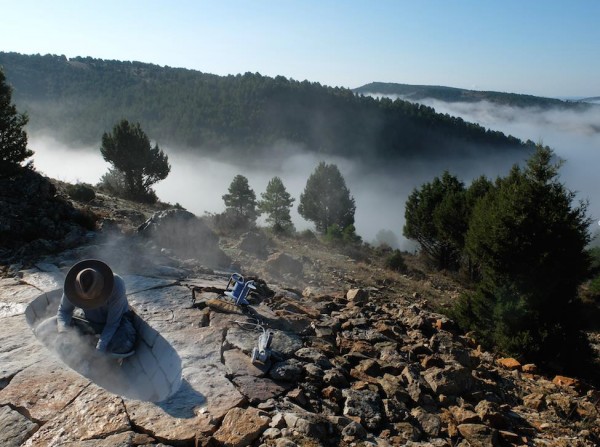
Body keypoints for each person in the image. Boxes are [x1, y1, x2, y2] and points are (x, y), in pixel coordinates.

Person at [56, 259, 136, 355]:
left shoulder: (117, 284)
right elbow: (64, 311)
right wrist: (63, 333)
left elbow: (112, 323)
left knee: (122, 345)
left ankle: (98, 346)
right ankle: (91, 343)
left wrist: (100, 349)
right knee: (53, 328)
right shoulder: (73, 285)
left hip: (118, 323)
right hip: (89, 321)